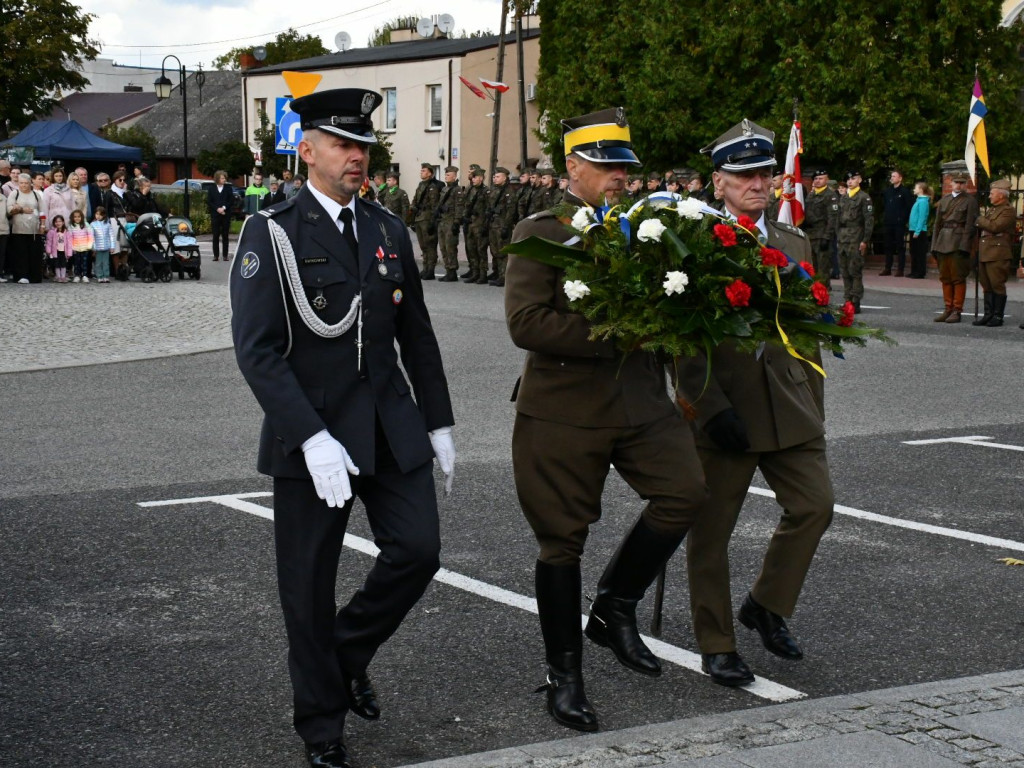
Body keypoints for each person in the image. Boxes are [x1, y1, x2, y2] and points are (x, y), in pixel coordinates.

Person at [229, 88, 455, 768]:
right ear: (308, 150)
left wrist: (438, 420)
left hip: (389, 422)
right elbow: (258, 350)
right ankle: (321, 726)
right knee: (306, 586)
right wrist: (311, 435)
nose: (357, 158)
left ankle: (346, 654)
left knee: (418, 551)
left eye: (363, 147)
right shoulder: (272, 230)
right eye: (342, 144)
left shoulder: (386, 228)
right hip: (313, 433)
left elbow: (416, 334)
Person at [505, 107, 708, 733]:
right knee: (563, 541)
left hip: (642, 403)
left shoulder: (649, 227)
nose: (620, 177)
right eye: (607, 166)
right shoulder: (542, 230)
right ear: (573, 167)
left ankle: (615, 606)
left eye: (625, 168)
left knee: (684, 493)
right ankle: (563, 675)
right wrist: (617, 330)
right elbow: (526, 323)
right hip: (565, 410)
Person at [677, 118, 833, 688]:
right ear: (717, 183)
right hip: (724, 404)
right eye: (744, 175)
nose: (758, 183)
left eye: (765, 172)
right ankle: (716, 642)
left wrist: (813, 397)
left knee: (816, 506)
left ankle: (766, 604)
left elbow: (811, 326)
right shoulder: (689, 242)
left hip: (787, 402)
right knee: (712, 532)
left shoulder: (792, 241)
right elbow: (682, 336)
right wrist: (706, 405)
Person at [930, 171, 978, 323]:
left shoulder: (970, 201)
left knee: (957, 278)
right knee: (945, 278)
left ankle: (957, 310)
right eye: (956, 182)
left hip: (958, 242)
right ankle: (948, 308)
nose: (959, 185)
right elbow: (937, 224)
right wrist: (934, 245)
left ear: (965, 184)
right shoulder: (944, 200)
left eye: (962, 182)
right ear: (951, 183)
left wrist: (965, 246)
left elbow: (970, 225)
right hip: (943, 241)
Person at [972, 178, 1015, 327]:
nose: (989, 196)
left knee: (997, 284)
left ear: (1001, 195)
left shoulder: (1008, 210)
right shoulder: (993, 209)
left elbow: (996, 227)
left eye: (992, 193)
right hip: (986, 251)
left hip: (998, 252)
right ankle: (988, 314)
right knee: (986, 284)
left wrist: (979, 220)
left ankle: (997, 315)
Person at [836, 170, 873, 313]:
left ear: (860, 180)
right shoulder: (844, 197)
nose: (850, 181)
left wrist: (865, 240)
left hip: (856, 236)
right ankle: (847, 300)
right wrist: (837, 235)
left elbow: (868, 220)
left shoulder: (864, 198)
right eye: (848, 179)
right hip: (843, 237)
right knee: (844, 271)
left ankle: (855, 301)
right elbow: (838, 219)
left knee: (855, 270)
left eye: (853, 178)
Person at [802, 170, 839, 286]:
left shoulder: (830, 196)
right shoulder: (811, 195)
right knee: (812, 269)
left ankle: (824, 294)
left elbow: (832, 218)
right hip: (810, 235)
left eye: (821, 178)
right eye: (816, 179)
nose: (818, 181)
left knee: (823, 271)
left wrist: (827, 237)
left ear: (827, 180)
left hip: (822, 235)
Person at [6, 173, 45, 283]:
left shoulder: (36, 195)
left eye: (26, 183)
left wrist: (42, 224)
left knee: (34, 254)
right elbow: (9, 210)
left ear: (30, 183)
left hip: (34, 230)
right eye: (21, 183)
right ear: (18, 183)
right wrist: (21, 209)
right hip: (19, 229)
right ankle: (21, 276)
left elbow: (42, 211)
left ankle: (34, 276)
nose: (24, 185)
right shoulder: (15, 193)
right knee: (20, 254)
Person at [409, 163, 442, 279]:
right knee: (423, 246)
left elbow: (434, 206)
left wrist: (433, 221)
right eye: (421, 170)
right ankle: (425, 268)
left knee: (430, 245)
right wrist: (412, 217)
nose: (421, 172)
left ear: (430, 173)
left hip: (427, 218)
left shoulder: (432, 186)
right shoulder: (421, 185)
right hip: (419, 218)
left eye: (424, 171)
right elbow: (415, 200)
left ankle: (431, 270)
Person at [487, 166, 516, 286]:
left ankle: (504, 276)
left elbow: (511, 211)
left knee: (503, 252)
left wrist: (506, 226)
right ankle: (498, 273)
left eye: (498, 177)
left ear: (505, 178)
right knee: (495, 251)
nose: (495, 179)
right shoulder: (494, 190)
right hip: (493, 224)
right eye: (495, 176)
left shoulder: (509, 192)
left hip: (502, 225)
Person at [880, 170, 914, 276]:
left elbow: (909, 206)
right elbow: (885, 205)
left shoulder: (904, 191)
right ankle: (887, 268)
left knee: (900, 246)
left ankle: (900, 269)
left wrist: (903, 219)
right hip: (888, 222)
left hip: (899, 223)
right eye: (891, 176)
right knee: (888, 246)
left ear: (900, 178)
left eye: (894, 176)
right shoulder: (887, 191)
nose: (892, 178)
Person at [433, 165, 463, 282]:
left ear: (455, 176)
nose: (446, 176)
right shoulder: (445, 189)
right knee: (443, 247)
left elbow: (459, 207)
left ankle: (452, 271)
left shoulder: (457, 190)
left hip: (451, 221)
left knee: (450, 247)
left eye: (448, 175)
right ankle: (448, 269)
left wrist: (456, 222)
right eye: (445, 174)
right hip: (442, 221)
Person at [461, 167, 490, 284]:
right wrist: (465, 218)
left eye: (475, 177)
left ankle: (483, 274)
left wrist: (485, 225)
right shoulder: (472, 190)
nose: (473, 179)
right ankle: (475, 272)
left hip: (480, 224)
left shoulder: (486, 191)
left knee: (481, 250)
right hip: (471, 223)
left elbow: (489, 209)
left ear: (481, 178)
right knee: (471, 248)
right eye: (472, 177)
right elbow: (466, 205)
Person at [207, 170, 234, 262]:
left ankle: (225, 255)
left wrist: (223, 208)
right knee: (215, 235)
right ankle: (216, 255)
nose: (224, 180)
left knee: (225, 235)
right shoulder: (211, 188)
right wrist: (217, 209)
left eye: (224, 178)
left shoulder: (228, 188)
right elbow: (209, 201)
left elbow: (231, 200)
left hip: (225, 215)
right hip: (215, 215)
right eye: (222, 178)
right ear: (217, 178)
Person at [907, 181, 932, 279]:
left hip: (919, 231)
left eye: (915, 188)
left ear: (921, 190)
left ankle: (920, 272)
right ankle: (914, 271)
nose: (914, 189)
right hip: (914, 229)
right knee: (914, 251)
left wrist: (917, 231)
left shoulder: (923, 202)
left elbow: (922, 217)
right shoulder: (919, 200)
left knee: (919, 252)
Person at [89, 206, 115, 283]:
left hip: (106, 247)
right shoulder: (93, 224)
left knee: (106, 263)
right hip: (98, 248)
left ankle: (106, 276)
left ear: (104, 215)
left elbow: (111, 236)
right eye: (97, 214)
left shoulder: (108, 224)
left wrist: (112, 246)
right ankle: (99, 276)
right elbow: (91, 236)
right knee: (98, 263)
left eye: (100, 214)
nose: (98, 216)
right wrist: (93, 247)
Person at [44, 214, 72, 282]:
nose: (58, 223)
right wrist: (48, 250)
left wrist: (69, 252)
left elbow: (69, 243)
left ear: (63, 222)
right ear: (54, 223)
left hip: (63, 251)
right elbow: (49, 242)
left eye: (60, 221)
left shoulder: (67, 232)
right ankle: (58, 276)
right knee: (57, 264)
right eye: (56, 222)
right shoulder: (52, 232)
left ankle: (63, 276)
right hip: (55, 251)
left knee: (63, 264)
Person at [68, 209, 93, 282]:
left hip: (85, 247)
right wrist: (72, 247)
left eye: (79, 216)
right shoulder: (71, 226)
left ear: (82, 217)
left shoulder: (86, 225)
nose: (77, 218)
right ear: (72, 218)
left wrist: (89, 245)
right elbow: (70, 237)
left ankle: (84, 275)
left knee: (84, 262)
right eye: (75, 217)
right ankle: (77, 275)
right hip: (76, 248)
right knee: (76, 262)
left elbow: (90, 235)